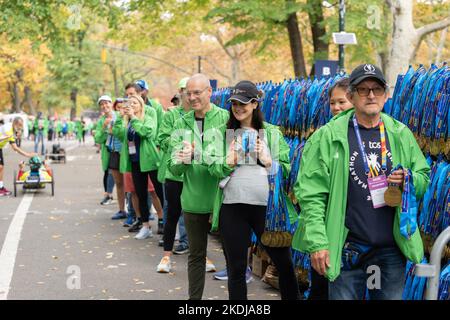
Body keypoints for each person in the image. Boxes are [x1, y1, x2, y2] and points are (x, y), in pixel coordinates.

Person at [292, 64, 430, 300]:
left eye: (377, 89)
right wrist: (317, 243)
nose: (371, 95)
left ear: (386, 95)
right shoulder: (327, 137)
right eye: (363, 89)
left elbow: (423, 178)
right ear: (351, 96)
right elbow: (311, 196)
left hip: (390, 250)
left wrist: (409, 180)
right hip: (348, 247)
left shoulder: (400, 133)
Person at [208, 80, 300, 300]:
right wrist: (227, 162)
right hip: (233, 207)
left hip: (267, 209)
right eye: (234, 104)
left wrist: (269, 161)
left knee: (284, 265)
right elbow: (212, 168)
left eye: (243, 103)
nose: (238, 108)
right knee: (236, 269)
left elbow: (288, 172)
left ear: (255, 104)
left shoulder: (272, 133)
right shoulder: (223, 132)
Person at [168, 74, 228, 299]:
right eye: (188, 93)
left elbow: (228, 164)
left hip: (224, 200)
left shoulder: (227, 119)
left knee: (233, 257)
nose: (192, 97)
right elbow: (172, 169)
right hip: (193, 199)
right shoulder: (180, 122)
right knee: (195, 256)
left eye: (197, 92)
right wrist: (181, 160)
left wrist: (198, 154)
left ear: (209, 92)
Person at [308, 76, 353, 301]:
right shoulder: (325, 135)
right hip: (328, 231)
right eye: (333, 102)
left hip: (357, 234)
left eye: (342, 102)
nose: (336, 107)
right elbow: (311, 190)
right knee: (322, 287)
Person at [113, 95, 160, 240]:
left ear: (141, 105)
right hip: (134, 161)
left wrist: (133, 117)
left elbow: (147, 132)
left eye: (135, 103)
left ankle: (166, 222)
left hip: (150, 161)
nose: (131, 105)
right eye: (129, 103)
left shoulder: (147, 118)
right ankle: (146, 226)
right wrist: (121, 117)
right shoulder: (127, 121)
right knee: (140, 193)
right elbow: (119, 134)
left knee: (159, 192)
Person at [156, 77, 191, 273]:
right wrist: (182, 141)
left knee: (196, 215)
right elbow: (161, 138)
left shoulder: (202, 115)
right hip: (174, 172)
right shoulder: (171, 115)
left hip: (195, 174)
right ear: (180, 92)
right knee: (172, 213)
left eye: (194, 91)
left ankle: (198, 253)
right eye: (186, 90)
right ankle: (166, 255)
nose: (189, 94)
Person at [0, 116, 36, 196]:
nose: (20, 129)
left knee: (1, 167)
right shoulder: (8, 130)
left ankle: (1, 188)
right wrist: (28, 155)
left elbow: (15, 147)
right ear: (15, 124)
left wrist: (28, 154)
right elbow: (15, 147)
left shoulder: (12, 130)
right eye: (19, 127)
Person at [94, 96, 116, 207]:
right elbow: (98, 139)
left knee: (119, 175)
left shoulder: (118, 116)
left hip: (119, 151)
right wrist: (104, 127)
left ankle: (111, 195)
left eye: (106, 103)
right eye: (102, 104)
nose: (104, 106)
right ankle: (108, 195)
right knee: (107, 172)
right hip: (107, 151)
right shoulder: (101, 121)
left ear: (111, 104)